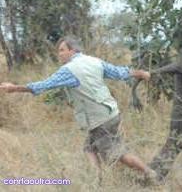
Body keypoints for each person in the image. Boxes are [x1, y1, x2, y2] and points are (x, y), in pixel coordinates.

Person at [0, 36, 158, 184]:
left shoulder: (69, 70)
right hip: (110, 113)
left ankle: (149, 173)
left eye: (62, 50)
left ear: (72, 50)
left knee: (117, 154)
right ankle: (96, 181)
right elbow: (119, 72)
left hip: (99, 120)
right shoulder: (94, 61)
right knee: (89, 147)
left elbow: (43, 85)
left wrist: (14, 88)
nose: (59, 54)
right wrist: (141, 73)